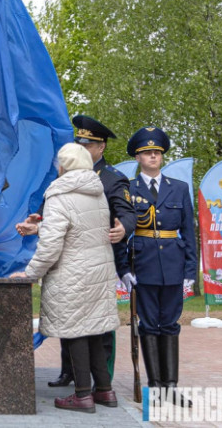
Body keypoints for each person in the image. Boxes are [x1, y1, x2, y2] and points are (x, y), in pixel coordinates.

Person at [11, 143, 119, 413]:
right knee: (94, 330)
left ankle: (82, 395)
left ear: (64, 165)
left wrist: (30, 273)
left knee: (74, 333)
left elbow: (51, 247)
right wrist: (41, 226)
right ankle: (104, 391)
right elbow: (80, 227)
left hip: (71, 274)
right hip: (98, 272)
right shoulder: (97, 192)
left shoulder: (60, 194)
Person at [46, 115, 137, 387]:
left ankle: (102, 379)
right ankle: (69, 371)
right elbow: (55, 208)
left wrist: (124, 229)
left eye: (89, 145)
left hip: (99, 259)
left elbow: (127, 212)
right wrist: (37, 221)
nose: (82, 149)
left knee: (98, 324)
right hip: (70, 258)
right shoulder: (67, 175)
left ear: (101, 148)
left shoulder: (112, 179)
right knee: (68, 317)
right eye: (79, 144)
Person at [125, 126, 197, 407]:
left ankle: (171, 387)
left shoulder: (179, 188)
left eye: (157, 152)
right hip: (142, 264)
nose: (153, 156)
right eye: (147, 153)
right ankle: (154, 387)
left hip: (173, 265)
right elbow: (120, 232)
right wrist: (123, 268)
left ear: (163, 156)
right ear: (138, 158)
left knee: (170, 324)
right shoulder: (129, 189)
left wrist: (190, 270)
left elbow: (188, 232)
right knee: (148, 324)